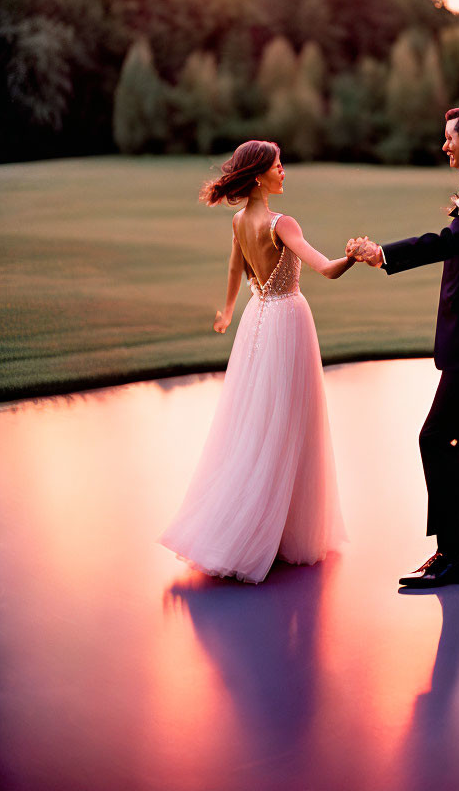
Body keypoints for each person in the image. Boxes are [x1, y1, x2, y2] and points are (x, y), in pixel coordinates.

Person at [347, 105, 459, 588]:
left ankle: (451, 554)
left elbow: (448, 243)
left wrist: (384, 253)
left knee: (433, 437)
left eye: (449, 138)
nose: (443, 145)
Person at [158, 140, 353, 583]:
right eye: (278, 166)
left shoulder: (239, 220)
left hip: (256, 320)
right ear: (260, 174)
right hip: (287, 319)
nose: (284, 172)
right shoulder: (281, 223)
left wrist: (228, 312)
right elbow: (324, 268)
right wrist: (354, 258)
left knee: (257, 420)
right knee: (289, 423)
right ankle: (272, 533)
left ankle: (265, 526)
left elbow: (234, 270)